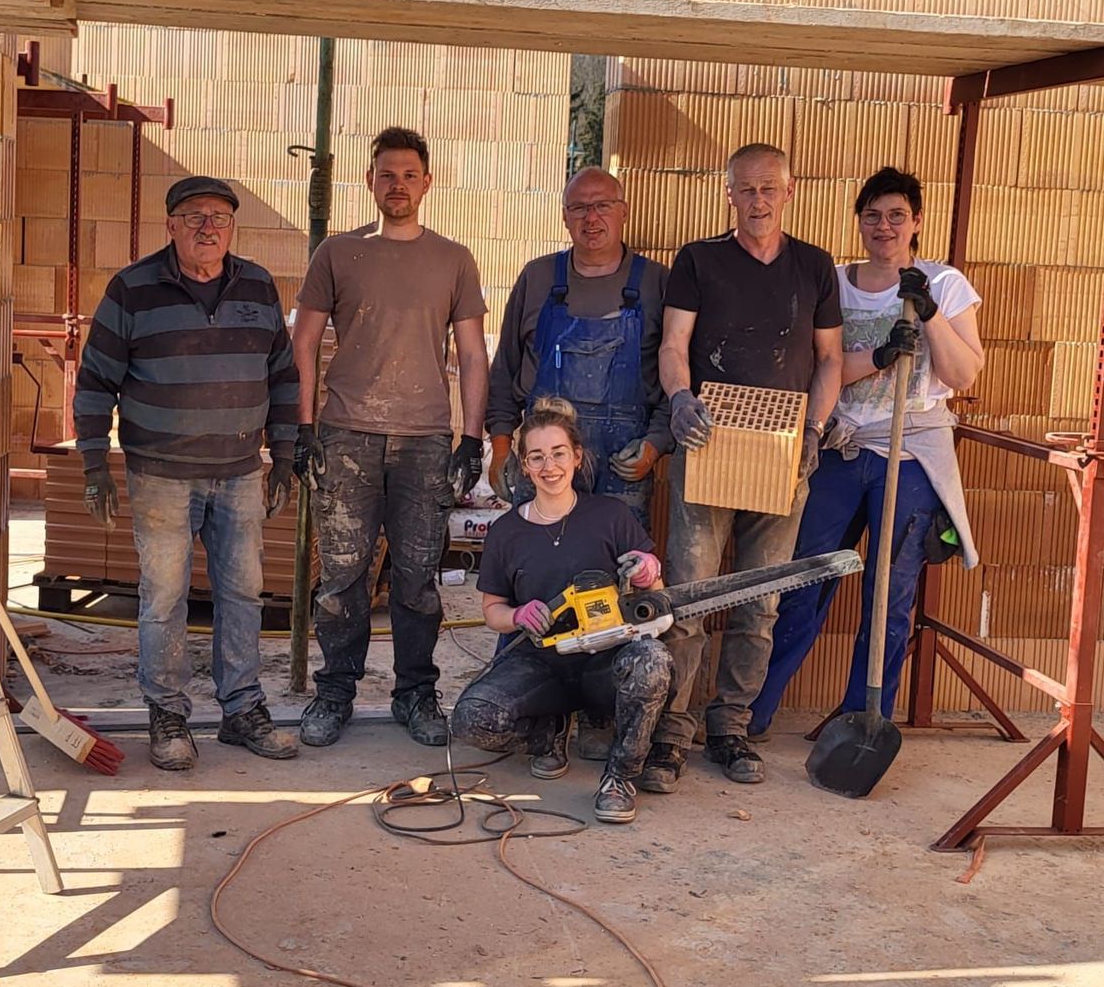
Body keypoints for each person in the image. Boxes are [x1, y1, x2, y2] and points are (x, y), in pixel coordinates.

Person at [75, 175, 300, 771]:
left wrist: (284, 455)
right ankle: (167, 713)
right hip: (161, 476)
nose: (208, 227)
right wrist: (94, 463)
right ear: (170, 225)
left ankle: (242, 709)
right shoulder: (132, 289)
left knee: (243, 594)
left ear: (233, 228)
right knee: (164, 599)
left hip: (239, 472)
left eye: (220, 217)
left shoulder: (258, 285)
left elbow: (283, 375)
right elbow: (95, 379)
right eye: (195, 216)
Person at [750, 167, 983, 734]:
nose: (884, 226)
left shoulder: (944, 282)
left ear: (917, 221)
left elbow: (963, 374)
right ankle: (751, 714)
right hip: (840, 449)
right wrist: (879, 357)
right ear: (858, 222)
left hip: (909, 455)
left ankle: (862, 723)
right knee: (803, 581)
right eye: (873, 215)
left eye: (897, 215)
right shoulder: (832, 281)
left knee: (889, 595)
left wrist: (927, 312)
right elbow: (817, 368)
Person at [647, 142, 844, 789]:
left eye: (768, 188)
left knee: (760, 601)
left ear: (789, 192)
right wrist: (680, 399)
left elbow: (830, 360)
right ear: (728, 193)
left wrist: (813, 429)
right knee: (689, 597)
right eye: (746, 189)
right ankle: (670, 733)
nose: (757, 201)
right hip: (710, 444)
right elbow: (674, 344)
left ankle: (730, 728)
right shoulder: (699, 260)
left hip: (783, 451)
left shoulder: (813, 266)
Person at [292, 126, 490, 748]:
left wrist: (471, 438)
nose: (397, 185)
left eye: (408, 175)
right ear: (369, 181)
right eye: (386, 174)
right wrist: (303, 427)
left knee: (416, 578)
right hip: (346, 437)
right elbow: (303, 342)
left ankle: (416, 695)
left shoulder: (454, 259)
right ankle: (335, 693)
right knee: (342, 578)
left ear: (427, 183)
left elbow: (473, 353)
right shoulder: (336, 253)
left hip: (425, 441)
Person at [451, 398, 676, 824]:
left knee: (653, 661)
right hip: (540, 664)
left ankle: (620, 777)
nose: (549, 466)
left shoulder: (610, 516)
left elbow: (657, 600)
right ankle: (546, 731)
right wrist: (517, 615)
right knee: (471, 719)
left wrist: (649, 573)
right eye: (537, 457)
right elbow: (492, 610)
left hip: (605, 663)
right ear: (524, 465)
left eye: (558, 453)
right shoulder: (506, 532)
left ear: (576, 456)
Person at [485, 166, 671, 531]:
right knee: (538, 557)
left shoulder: (657, 282)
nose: (591, 218)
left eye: (602, 205)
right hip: (544, 461)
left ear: (624, 211)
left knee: (618, 560)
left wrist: (655, 444)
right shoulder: (537, 278)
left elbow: (676, 378)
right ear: (565, 217)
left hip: (622, 465)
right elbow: (505, 370)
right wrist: (502, 445)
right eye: (579, 208)